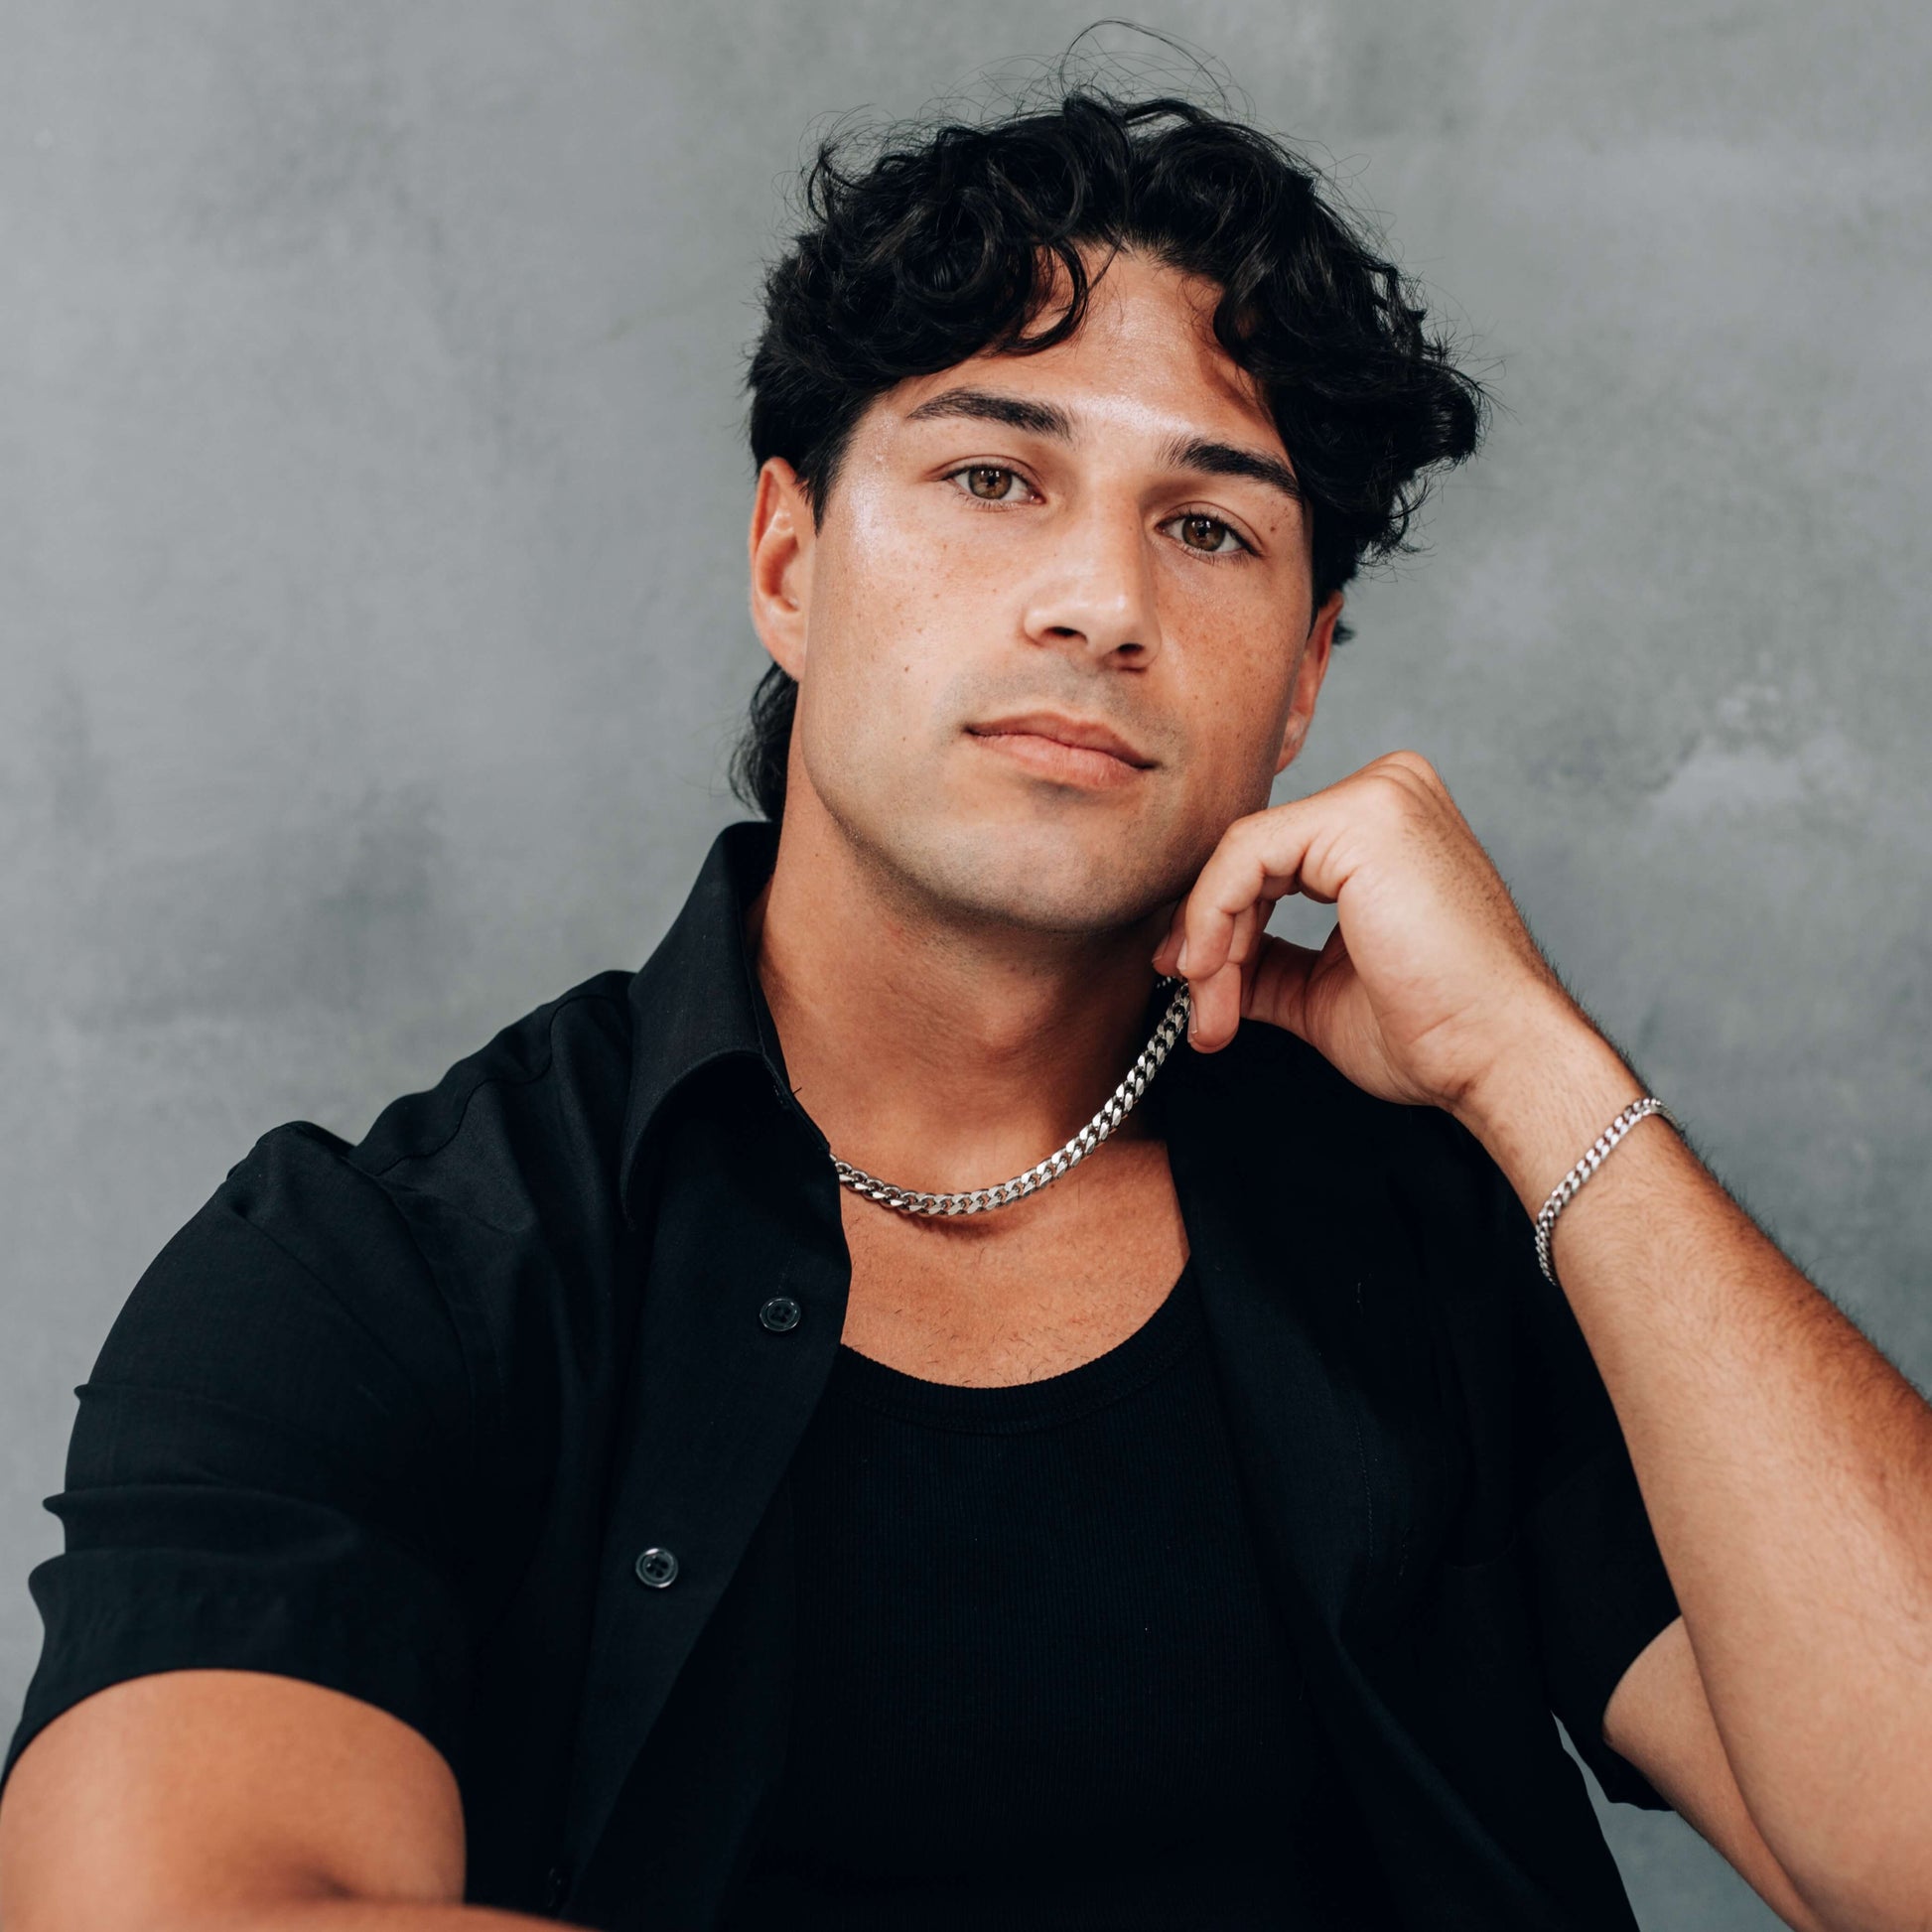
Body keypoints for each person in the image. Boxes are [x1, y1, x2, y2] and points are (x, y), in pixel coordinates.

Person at [3, 73, 1929, 1932]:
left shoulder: (1441, 1229)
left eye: (1209, 527)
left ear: (1303, 680)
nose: (1100, 602)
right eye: (994, 476)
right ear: (788, 562)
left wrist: (1535, 1069)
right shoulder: (383, 1272)